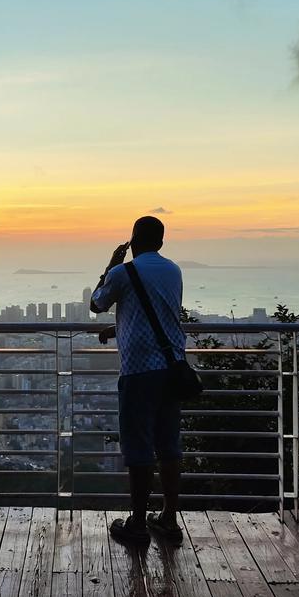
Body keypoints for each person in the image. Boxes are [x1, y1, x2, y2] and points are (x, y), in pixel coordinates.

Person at [90, 216, 186, 547]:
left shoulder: (123, 273)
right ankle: (170, 519)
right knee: (169, 444)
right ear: (161, 242)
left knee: (138, 446)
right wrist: (119, 329)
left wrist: (111, 264)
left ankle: (138, 522)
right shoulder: (174, 271)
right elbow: (159, 316)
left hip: (139, 371)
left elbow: (96, 304)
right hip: (173, 368)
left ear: (132, 241)